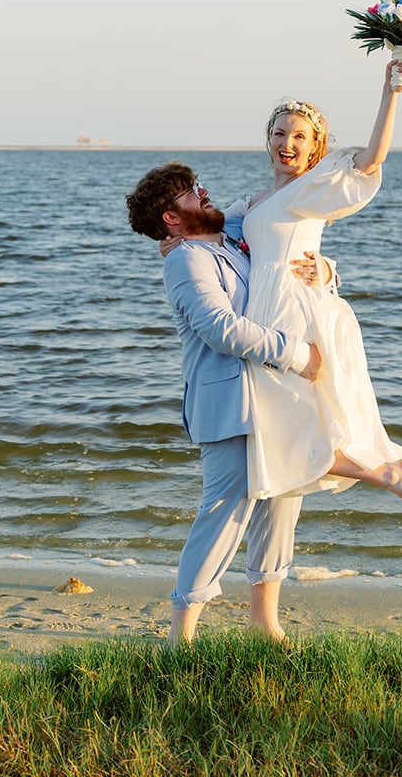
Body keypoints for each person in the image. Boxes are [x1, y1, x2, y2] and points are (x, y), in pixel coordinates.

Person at [229, 54, 402, 541]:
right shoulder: (256, 201)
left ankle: (385, 475)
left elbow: (371, 160)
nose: (287, 143)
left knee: (289, 432)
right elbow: (220, 233)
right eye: (280, 133)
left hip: (293, 315)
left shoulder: (311, 188)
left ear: (315, 147)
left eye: (299, 136)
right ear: (268, 139)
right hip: (280, 307)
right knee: (343, 423)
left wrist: (392, 91)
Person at [125, 163, 330, 643]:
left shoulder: (231, 235)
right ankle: (182, 634)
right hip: (227, 403)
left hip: (272, 396)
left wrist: (324, 269)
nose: (205, 192)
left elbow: (281, 232)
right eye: (192, 192)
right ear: (172, 219)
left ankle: (265, 622)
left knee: (282, 500)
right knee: (224, 510)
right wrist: (298, 354)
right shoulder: (184, 260)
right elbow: (220, 329)